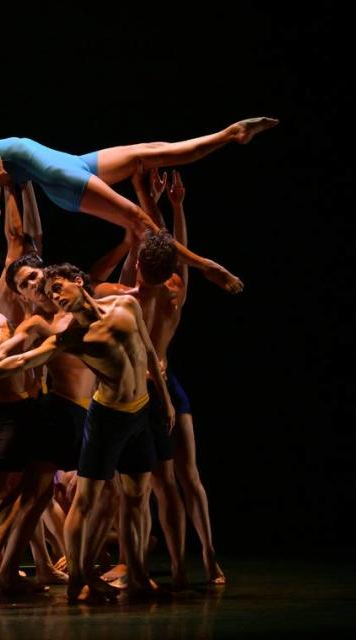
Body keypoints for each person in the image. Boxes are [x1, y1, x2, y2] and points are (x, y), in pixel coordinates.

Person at [0, 263, 175, 601]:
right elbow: (17, 358)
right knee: (64, 497)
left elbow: (149, 352)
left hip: (138, 411)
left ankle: (136, 575)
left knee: (134, 496)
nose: (51, 293)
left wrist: (165, 401)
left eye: (56, 287)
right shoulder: (65, 336)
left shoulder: (126, 306)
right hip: (98, 415)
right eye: (41, 287)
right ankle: (74, 580)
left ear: (78, 282)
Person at [0, 117, 279, 294]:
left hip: (75, 161)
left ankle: (230, 134)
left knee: (152, 151)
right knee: (137, 219)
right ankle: (204, 266)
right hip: (62, 179)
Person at [97, 170, 225, 585]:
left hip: (147, 391)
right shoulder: (176, 290)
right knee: (189, 478)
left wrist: (140, 202)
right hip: (172, 384)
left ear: (138, 268)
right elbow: (165, 246)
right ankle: (203, 559)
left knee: (164, 485)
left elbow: (148, 244)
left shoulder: (126, 296)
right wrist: (175, 206)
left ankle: (179, 566)